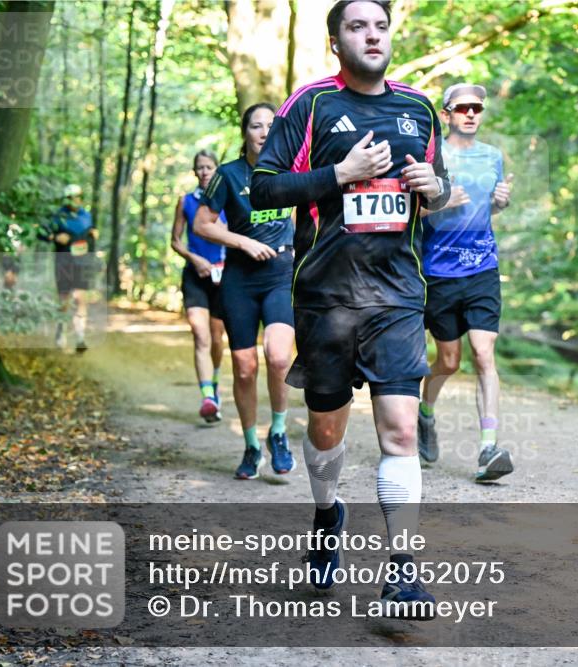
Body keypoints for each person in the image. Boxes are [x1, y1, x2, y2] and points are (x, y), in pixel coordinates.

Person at [251, 0, 450, 617]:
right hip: (325, 299)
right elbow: (264, 187)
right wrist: (340, 172)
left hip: (396, 296)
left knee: (399, 430)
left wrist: (434, 190)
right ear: (336, 40)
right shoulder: (310, 104)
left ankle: (402, 572)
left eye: (381, 26)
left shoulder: (418, 108)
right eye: (357, 26)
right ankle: (326, 511)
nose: (372, 35)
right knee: (326, 432)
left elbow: (437, 196)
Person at [194, 103, 297, 480]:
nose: (265, 132)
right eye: (256, 125)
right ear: (246, 133)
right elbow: (203, 224)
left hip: (281, 274)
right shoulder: (228, 174)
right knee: (243, 368)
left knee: (279, 356)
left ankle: (280, 432)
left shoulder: (290, 171)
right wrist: (242, 242)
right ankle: (252, 445)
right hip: (240, 278)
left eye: (272, 125)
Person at [418, 83, 514, 482]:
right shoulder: (431, 156)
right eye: (462, 108)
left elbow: (486, 207)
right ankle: (425, 414)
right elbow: (411, 216)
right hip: (439, 272)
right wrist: (437, 203)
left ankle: (488, 447)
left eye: (477, 108)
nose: (471, 114)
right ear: (446, 114)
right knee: (449, 361)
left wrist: (499, 203)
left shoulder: (493, 157)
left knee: (484, 353)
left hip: (482, 269)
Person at [170, 149, 229, 424]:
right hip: (195, 276)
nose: (204, 171)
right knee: (200, 335)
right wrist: (194, 259)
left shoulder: (228, 199)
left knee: (217, 339)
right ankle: (207, 397)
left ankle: (214, 384)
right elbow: (175, 241)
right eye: (200, 167)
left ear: (217, 170)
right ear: (194, 172)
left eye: (209, 167)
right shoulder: (185, 201)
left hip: (225, 277)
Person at [40, 184, 97, 353]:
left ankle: (80, 337)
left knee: (81, 298)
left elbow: (90, 231)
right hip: (63, 261)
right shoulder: (58, 216)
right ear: (66, 199)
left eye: (78, 196)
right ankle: (61, 330)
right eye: (72, 197)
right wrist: (55, 236)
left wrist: (94, 233)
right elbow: (42, 232)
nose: (76, 200)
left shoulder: (86, 215)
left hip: (82, 261)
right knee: (64, 299)